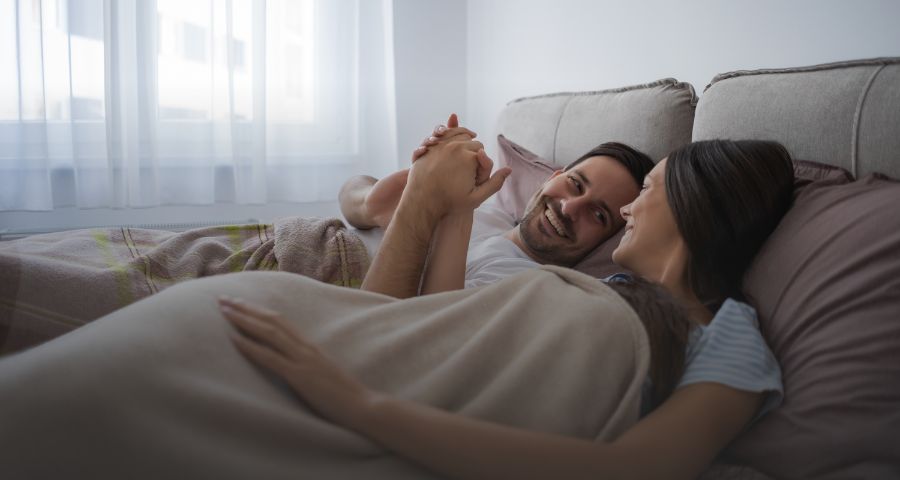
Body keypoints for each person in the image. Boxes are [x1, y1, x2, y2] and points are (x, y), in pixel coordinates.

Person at [217, 136, 796, 478]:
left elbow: (633, 470)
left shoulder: (729, 335)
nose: (622, 211)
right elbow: (444, 330)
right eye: (578, 187)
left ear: (691, 206)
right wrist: (456, 212)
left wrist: (362, 405)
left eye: (644, 193)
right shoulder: (614, 287)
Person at [339, 114, 655, 293]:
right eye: (574, 184)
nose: (570, 208)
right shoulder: (492, 216)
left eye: (598, 214)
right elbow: (350, 190)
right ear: (551, 177)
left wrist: (430, 206)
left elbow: (416, 330)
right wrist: (371, 204)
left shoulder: (531, 285)